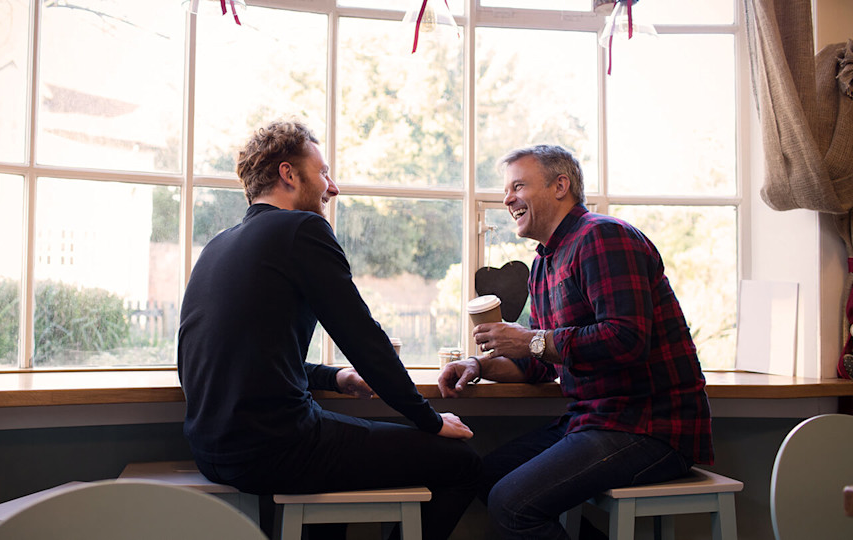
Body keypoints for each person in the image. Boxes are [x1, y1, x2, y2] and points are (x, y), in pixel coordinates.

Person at [178, 119, 481, 540]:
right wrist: (427, 420)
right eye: (322, 172)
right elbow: (363, 337)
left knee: (336, 455)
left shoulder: (219, 244)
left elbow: (249, 356)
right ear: (288, 174)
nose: (332, 187)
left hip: (211, 451)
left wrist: (333, 377)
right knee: (463, 463)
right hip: (277, 449)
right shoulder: (301, 228)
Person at [438, 145, 714, 539]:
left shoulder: (603, 237)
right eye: (506, 189)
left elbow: (627, 339)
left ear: (560, 186)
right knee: (486, 477)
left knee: (512, 505)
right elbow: (538, 362)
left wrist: (531, 340)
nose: (506, 199)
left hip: (651, 427)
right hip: (592, 421)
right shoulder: (544, 263)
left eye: (518, 186)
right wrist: (477, 366)